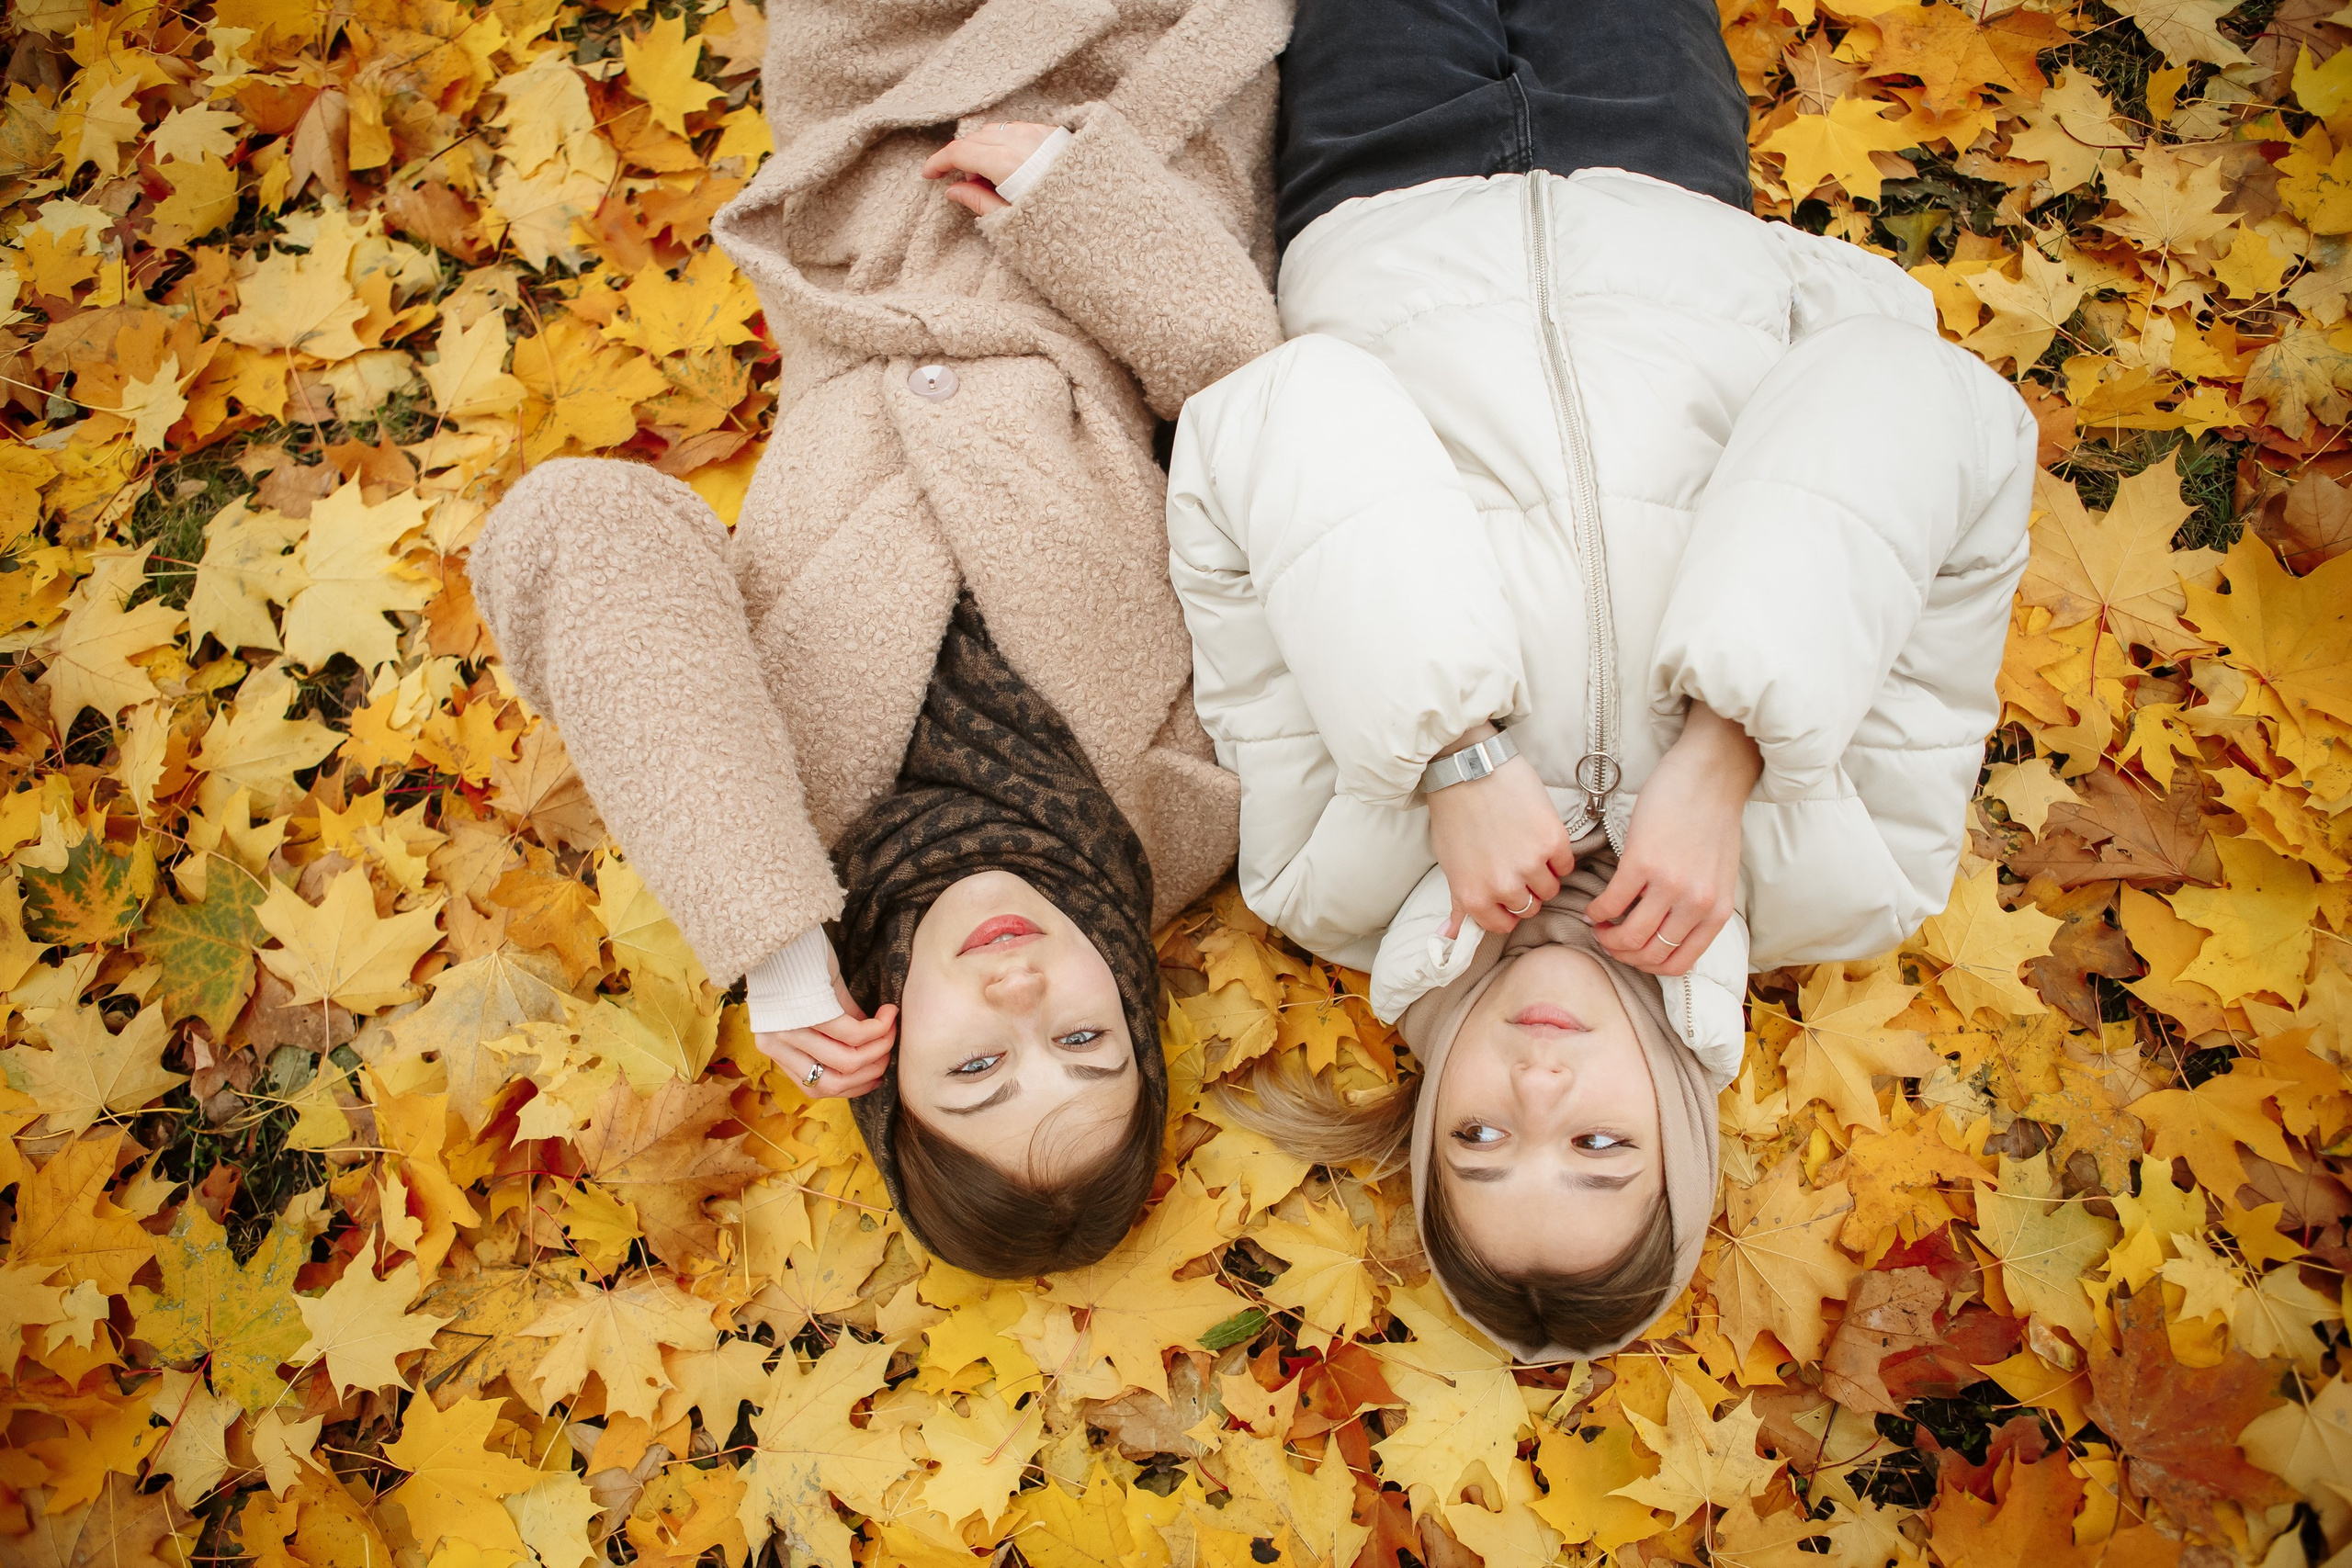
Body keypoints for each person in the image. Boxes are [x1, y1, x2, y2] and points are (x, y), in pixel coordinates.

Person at [1167, 0, 2037, 1358]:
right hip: (1664, 179)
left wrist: (1450, 754)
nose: (1540, 1078)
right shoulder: (1857, 875)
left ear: (1432, 1100)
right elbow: (1922, 401)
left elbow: (1270, 423)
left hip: (1380, 183)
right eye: (1596, 1145)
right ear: (1677, 1131)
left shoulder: (1321, 881)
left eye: (1480, 1137)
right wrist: (1729, 751)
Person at [472, 0, 1293, 1278]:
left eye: (975, 1069)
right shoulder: (1204, 806)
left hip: (872, 148)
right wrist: (1067, 200)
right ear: (1135, 1013)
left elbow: (580, 527)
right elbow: (1264, 423)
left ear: (882, 1056)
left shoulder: (767, 822)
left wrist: (775, 936)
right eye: (1085, 1047)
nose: (1026, 1009)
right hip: (1136, 136)